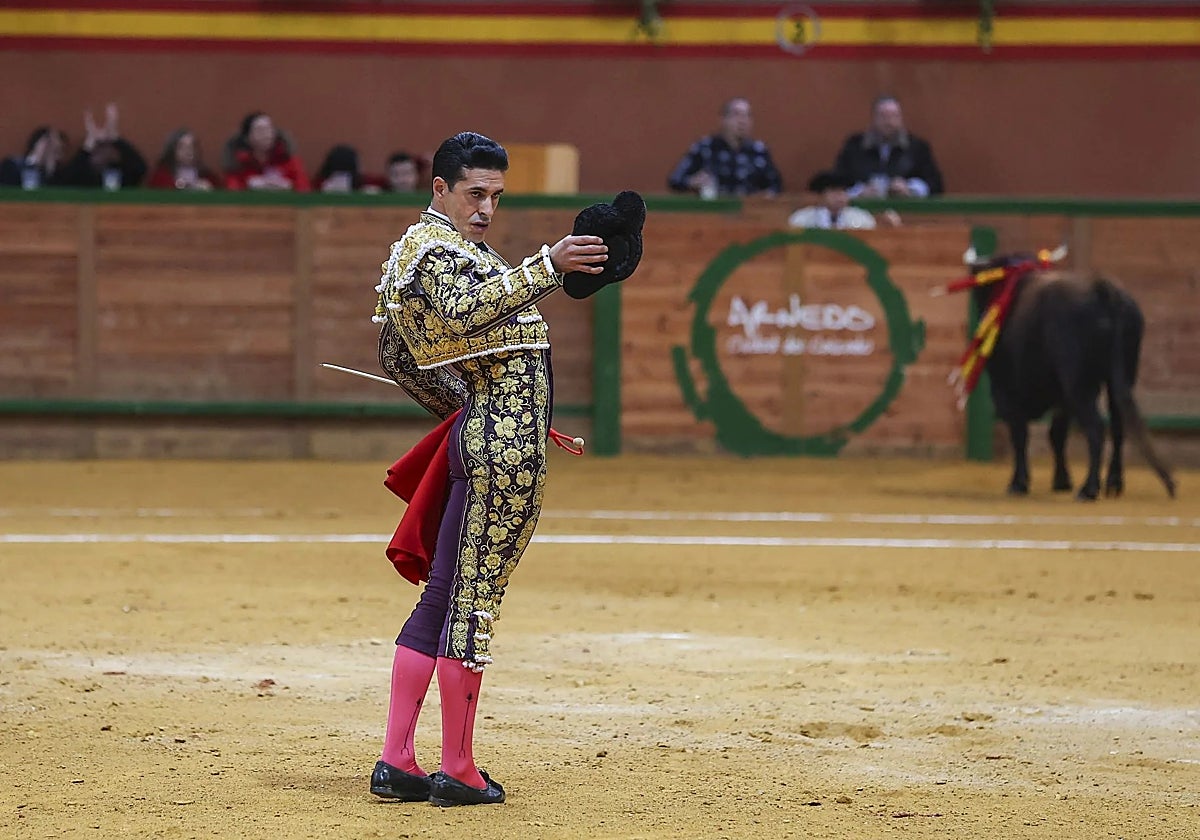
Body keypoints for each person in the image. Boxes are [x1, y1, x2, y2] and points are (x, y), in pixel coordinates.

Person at [368, 131, 620, 807]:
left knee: (444, 596)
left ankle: (398, 761)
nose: (486, 208)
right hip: (503, 452)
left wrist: (462, 412)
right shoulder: (442, 255)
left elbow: (396, 352)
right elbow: (461, 312)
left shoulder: (426, 253)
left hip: (482, 438)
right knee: (472, 603)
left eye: (496, 196)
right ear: (440, 189)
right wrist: (548, 266)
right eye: (475, 193)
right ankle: (458, 769)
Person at [667, 96, 783, 198]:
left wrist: (766, 196)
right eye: (736, 115)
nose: (742, 121)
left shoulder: (759, 152)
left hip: (748, 214)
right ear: (723, 120)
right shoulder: (705, 148)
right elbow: (675, 179)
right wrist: (692, 182)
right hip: (713, 214)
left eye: (747, 116)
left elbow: (776, 186)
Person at [833, 94, 943, 198]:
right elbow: (837, 183)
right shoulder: (854, 146)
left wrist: (910, 188)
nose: (889, 122)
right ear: (873, 118)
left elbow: (935, 184)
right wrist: (860, 191)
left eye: (894, 116)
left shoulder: (918, 147)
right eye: (883, 116)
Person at [58, 103, 147, 190]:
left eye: (105, 146)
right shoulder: (82, 172)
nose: (101, 151)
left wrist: (115, 138)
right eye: (97, 146)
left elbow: (140, 169)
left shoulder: (119, 171)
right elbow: (65, 181)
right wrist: (87, 146)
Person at [223, 111, 310, 192]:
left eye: (269, 128)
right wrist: (250, 185)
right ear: (247, 137)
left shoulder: (289, 160)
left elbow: (304, 188)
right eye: (260, 130)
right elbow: (232, 191)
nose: (266, 134)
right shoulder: (238, 163)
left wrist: (288, 186)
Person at [788, 170, 899, 230]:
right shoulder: (801, 219)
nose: (840, 197)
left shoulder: (861, 218)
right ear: (820, 196)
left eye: (843, 192)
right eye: (834, 192)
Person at [145, 128, 218, 190]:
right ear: (173, 150)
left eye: (193, 146)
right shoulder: (160, 176)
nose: (189, 151)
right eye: (183, 147)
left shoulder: (208, 177)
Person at [0, 126, 67, 189]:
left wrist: (50, 173)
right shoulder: (12, 165)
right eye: (55, 151)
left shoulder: (58, 174)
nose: (59, 157)